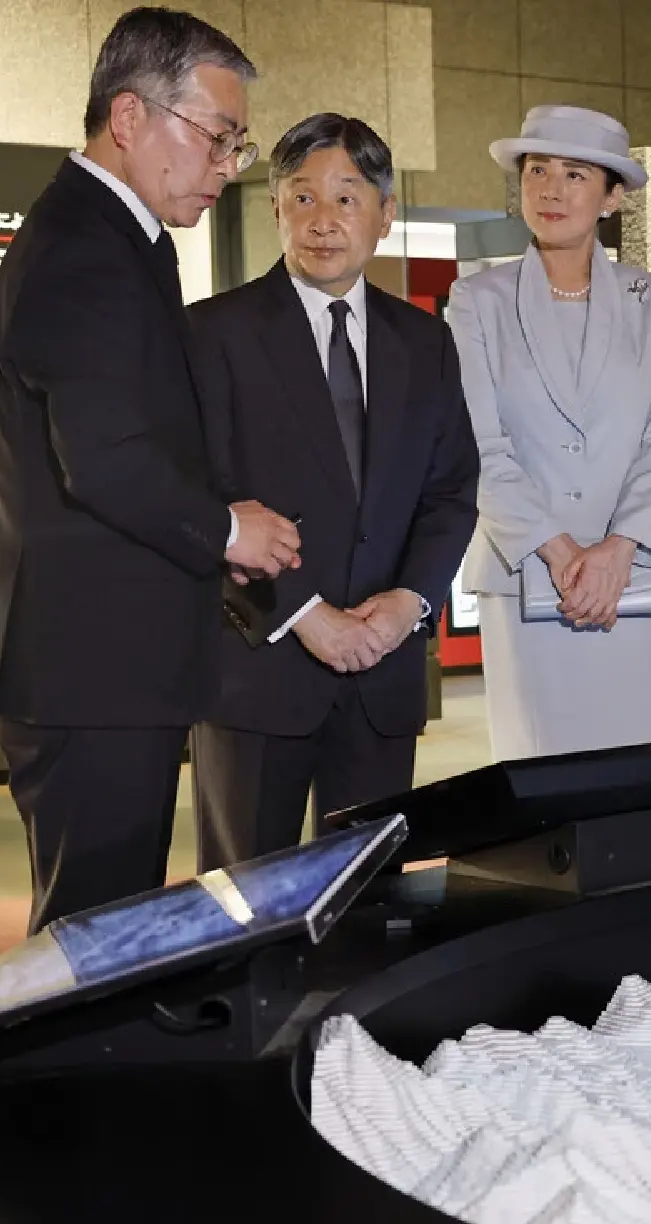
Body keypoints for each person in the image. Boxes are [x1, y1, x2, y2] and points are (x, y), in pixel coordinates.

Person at [0, 7, 301, 933]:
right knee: (90, 942)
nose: (227, 166)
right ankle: (46, 1085)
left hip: (105, 666)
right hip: (89, 671)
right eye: (216, 137)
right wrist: (230, 528)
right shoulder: (84, 251)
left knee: (103, 936)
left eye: (238, 144)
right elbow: (109, 461)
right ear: (129, 118)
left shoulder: (121, 238)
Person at [185, 115, 478, 868]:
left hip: (383, 671)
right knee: (245, 902)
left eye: (347, 199)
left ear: (384, 214)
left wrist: (410, 601)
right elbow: (197, 493)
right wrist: (306, 612)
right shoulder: (213, 333)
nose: (324, 221)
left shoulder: (425, 342)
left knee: (372, 904)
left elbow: (451, 490)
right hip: (259, 665)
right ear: (276, 208)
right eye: (303, 197)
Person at [448, 105, 651, 760]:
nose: (551, 190)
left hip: (640, 577)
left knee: (650, 776)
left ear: (612, 196)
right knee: (547, 777)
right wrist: (563, 554)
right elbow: (479, 443)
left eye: (574, 174)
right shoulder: (478, 299)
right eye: (537, 170)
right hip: (532, 575)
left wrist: (617, 550)